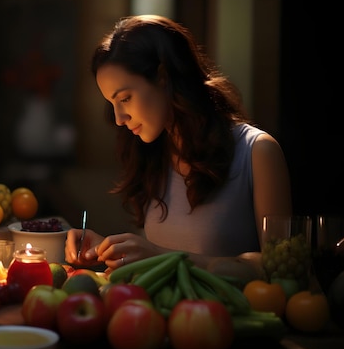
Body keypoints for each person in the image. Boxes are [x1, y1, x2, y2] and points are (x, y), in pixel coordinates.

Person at [64, 15, 292, 276]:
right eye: (112, 103)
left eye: (125, 98)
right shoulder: (153, 154)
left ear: (162, 76)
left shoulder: (256, 152)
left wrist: (157, 255)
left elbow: (282, 270)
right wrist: (108, 250)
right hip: (162, 315)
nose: (118, 118)